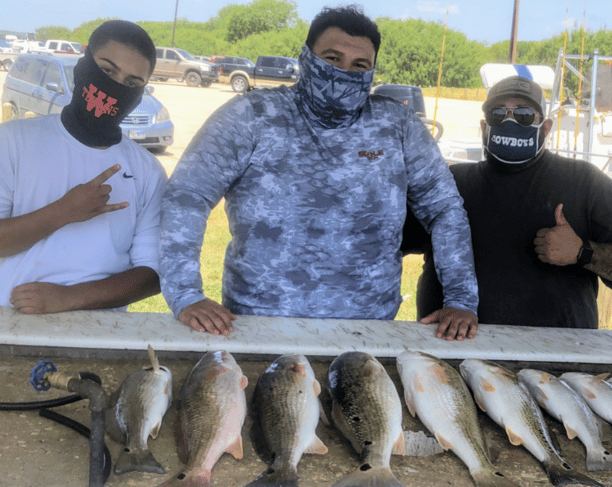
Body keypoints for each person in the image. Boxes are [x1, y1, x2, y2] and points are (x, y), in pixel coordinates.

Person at [160, 5, 479, 341]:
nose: (345, 72)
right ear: (306, 57)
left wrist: (460, 299)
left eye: (359, 65)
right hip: (258, 327)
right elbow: (187, 196)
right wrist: (185, 294)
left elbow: (444, 210)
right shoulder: (252, 116)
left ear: (372, 71)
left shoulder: (396, 126)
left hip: (368, 330)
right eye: (332, 58)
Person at [403, 75, 612, 329]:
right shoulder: (447, 183)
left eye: (524, 115)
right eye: (497, 114)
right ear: (483, 126)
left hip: (555, 358)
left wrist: (582, 252)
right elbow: (384, 240)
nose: (509, 121)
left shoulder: (585, 182)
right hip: (451, 348)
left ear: (546, 128)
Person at [0, 20, 166, 314]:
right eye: (107, 71)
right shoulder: (13, 140)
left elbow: (151, 273)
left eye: (132, 84)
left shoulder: (148, 170)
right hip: (9, 320)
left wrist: (70, 298)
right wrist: (63, 212)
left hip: (100, 334)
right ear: (82, 67)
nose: (115, 88)